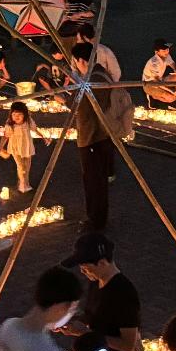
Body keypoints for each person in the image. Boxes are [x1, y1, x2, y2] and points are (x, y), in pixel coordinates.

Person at [70, 57, 121, 233]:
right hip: (104, 136)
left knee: (93, 182)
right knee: (99, 181)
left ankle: (95, 220)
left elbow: (77, 105)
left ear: (80, 60)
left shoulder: (91, 81)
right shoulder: (102, 75)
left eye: (75, 62)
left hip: (91, 137)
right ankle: (99, 218)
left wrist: (65, 98)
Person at [0, 100, 36, 195]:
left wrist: (45, 137)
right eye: (14, 115)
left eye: (19, 114)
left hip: (26, 146)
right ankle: (22, 184)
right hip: (15, 147)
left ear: (25, 114)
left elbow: (34, 129)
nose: (16, 117)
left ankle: (24, 182)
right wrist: (1, 146)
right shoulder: (10, 125)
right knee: (20, 166)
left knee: (27, 166)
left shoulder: (28, 122)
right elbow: (6, 136)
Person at [141, 39, 176, 106]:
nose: (166, 52)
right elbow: (157, 82)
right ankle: (154, 97)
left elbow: (174, 66)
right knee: (171, 98)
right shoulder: (154, 63)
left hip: (160, 80)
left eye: (167, 49)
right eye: (164, 50)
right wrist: (172, 91)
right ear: (157, 52)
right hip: (150, 84)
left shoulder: (166, 55)